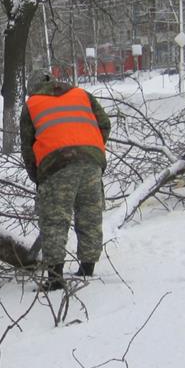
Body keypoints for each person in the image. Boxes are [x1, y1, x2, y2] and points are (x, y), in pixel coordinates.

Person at [20, 70, 111, 291]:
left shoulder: (32, 104)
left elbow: (27, 146)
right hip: (91, 162)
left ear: (33, 87)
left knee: (55, 220)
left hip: (56, 165)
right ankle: (87, 269)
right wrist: (90, 148)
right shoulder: (82, 94)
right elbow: (104, 124)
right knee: (90, 215)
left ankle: (55, 278)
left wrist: (37, 176)